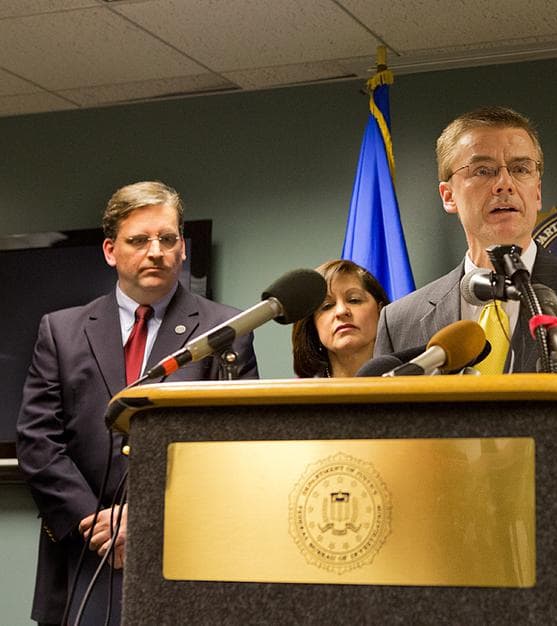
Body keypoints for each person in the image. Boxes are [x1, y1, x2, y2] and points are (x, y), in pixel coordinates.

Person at [16, 181, 259, 625]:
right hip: (83, 554)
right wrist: (95, 521)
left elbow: (233, 447)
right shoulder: (62, 330)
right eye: (139, 240)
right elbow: (37, 442)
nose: (156, 251)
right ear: (111, 250)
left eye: (167, 239)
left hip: (182, 556)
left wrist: (143, 523)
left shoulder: (225, 330)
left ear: (182, 249)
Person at [374, 106, 557, 430]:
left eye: (520, 169)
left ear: (538, 191)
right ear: (448, 196)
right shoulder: (399, 321)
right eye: (483, 171)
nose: (504, 183)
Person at [291, 259, 389, 378]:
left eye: (354, 300)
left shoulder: (412, 379)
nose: (341, 311)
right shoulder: (300, 394)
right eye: (327, 306)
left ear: (381, 310)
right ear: (313, 326)